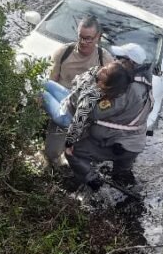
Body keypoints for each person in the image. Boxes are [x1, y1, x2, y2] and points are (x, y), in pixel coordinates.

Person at [65, 48, 153, 191]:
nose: (115, 60)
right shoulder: (145, 81)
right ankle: (128, 189)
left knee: (75, 152)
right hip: (134, 143)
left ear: (130, 63)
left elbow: (92, 112)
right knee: (121, 177)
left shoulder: (124, 88)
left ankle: (92, 181)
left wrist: (70, 142)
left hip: (118, 143)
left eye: (119, 58)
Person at [45, 15, 113, 164]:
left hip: (87, 116)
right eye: (80, 37)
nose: (83, 42)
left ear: (98, 37)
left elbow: (111, 95)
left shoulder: (105, 60)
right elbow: (51, 81)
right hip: (63, 106)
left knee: (79, 158)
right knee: (51, 154)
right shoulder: (63, 52)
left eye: (88, 39)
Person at [41, 63, 132, 139]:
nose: (103, 69)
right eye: (106, 66)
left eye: (106, 73)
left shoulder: (98, 98)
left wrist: (69, 144)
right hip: (68, 100)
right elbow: (75, 82)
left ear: (108, 85)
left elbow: (80, 119)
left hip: (66, 116)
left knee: (40, 92)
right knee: (43, 82)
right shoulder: (97, 76)